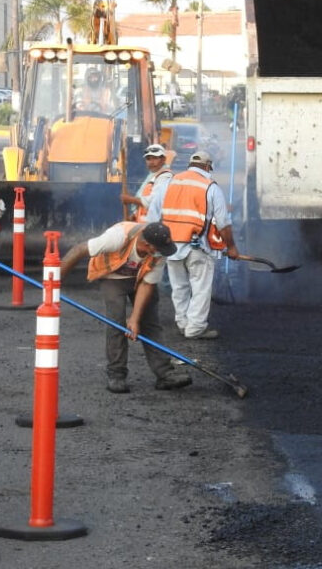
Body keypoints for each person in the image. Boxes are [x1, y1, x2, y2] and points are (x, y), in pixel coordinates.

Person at [59, 221, 191, 393]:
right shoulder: (118, 237)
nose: (161, 253)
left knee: (150, 323)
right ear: (146, 244)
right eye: (157, 249)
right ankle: (116, 375)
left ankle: (165, 374)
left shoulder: (159, 250)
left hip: (140, 279)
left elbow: (147, 285)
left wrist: (135, 320)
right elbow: (79, 250)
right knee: (116, 322)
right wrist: (55, 280)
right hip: (112, 277)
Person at [146, 150, 240, 340]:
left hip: (170, 246)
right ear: (207, 167)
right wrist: (231, 247)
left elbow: (153, 216)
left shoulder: (169, 183)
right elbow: (223, 223)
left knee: (179, 287)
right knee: (200, 288)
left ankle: (182, 323)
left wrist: (155, 243)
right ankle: (195, 328)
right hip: (197, 247)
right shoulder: (210, 187)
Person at [120, 143, 173, 223]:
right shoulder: (152, 175)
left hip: (154, 224)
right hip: (144, 223)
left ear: (163, 159)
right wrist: (134, 216)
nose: (151, 162)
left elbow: (152, 201)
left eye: (155, 158)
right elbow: (142, 199)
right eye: (148, 159)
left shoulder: (165, 176)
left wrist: (130, 199)